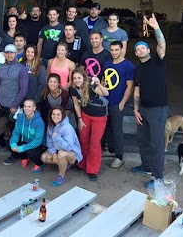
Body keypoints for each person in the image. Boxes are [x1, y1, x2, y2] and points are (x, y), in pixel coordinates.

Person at [132, 14, 168, 186]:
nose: (140, 50)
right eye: (137, 49)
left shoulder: (157, 60)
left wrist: (156, 28)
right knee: (142, 140)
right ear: (135, 53)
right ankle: (146, 166)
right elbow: (137, 90)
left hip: (158, 109)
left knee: (157, 144)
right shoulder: (138, 70)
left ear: (148, 50)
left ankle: (157, 177)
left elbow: (162, 45)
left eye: (143, 48)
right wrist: (135, 110)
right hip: (143, 109)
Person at [70, 68, 109, 181]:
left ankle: (92, 170)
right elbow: (76, 105)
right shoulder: (73, 89)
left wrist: (98, 84)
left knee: (95, 143)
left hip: (99, 116)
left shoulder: (91, 86)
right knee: (83, 139)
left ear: (84, 78)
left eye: (79, 78)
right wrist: (80, 119)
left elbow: (106, 93)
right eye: (74, 78)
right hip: (85, 115)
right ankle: (81, 163)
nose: (77, 80)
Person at [103, 40, 135, 169]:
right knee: (107, 127)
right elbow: (104, 81)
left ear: (122, 50)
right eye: (112, 50)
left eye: (116, 50)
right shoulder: (107, 63)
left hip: (118, 102)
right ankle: (111, 149)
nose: (114, 52)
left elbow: (130, 86)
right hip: (105, 102)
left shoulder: (128, 66)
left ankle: (119, 156)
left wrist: (122, 102)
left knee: (117, 129)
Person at [41, 106, 83, 187]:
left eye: (58, 114)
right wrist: (54, 153)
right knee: (44, 157)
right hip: (57, 150)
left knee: (61, 153)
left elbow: (69, 147)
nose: (55, 116)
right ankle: (64, 164)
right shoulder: (50, 125)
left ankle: (61, 176)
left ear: (62, 115)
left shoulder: (67, 127)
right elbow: (49, 142)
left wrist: (58, 138)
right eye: (53, 114)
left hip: (72, 153)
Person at [4, 99, 45, 172]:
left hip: (39, 144)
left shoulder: (39, 122)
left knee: (31, 152)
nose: (26, 108)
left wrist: (23, 148)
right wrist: (13, 143)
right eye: (25, 106)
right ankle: (25, 158)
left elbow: (38, 141)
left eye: (29, 106)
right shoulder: (20, 118)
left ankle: (39, 164)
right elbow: (16, 133)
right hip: (26, 140)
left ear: (34, 108)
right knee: (10, 144)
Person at [0, 44, 28, 120]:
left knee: (12, 127)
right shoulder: (0, 68)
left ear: (16, 54)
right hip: (0, 105)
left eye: (11, 53)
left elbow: (23, 89)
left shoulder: (21, 69)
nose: (9, 55)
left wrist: (16, 105)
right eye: (7, 53)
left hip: (13, 107)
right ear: (4, 54)